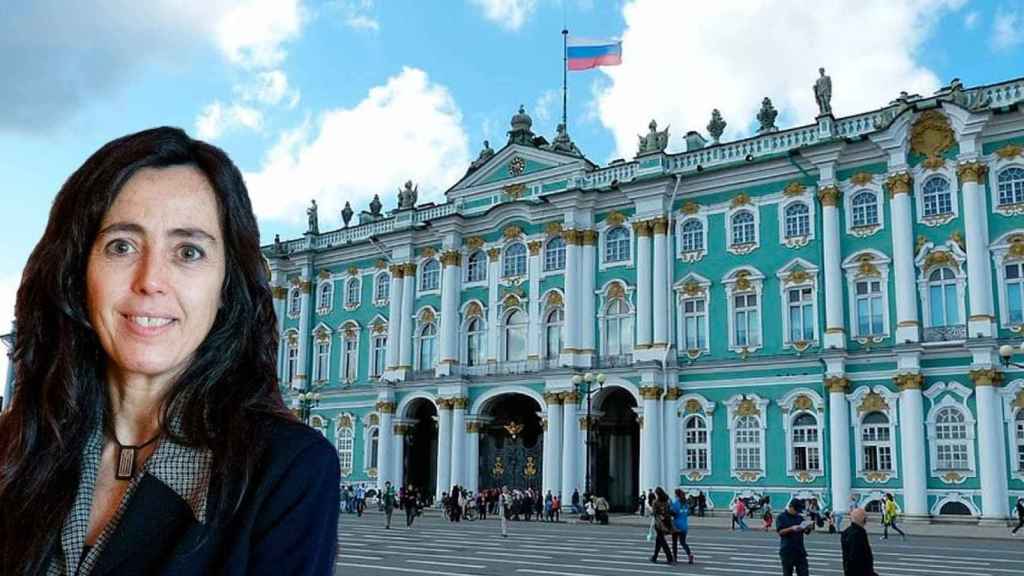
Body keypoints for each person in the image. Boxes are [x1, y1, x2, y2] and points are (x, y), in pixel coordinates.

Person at [0, 127, 340, 575]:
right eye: (121, 246)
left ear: (225, 286)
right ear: (78, 270)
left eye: (189, 252)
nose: (150, 279)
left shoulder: (285, 468)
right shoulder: (16, 447)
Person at [776, 499, 813, 576]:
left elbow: (806, 532)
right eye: (796, 510)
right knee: (787, 573)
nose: (797, 512)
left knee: (804, 573)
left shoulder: (799, 517)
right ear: (791, 507)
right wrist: (791, 528)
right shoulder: (781, 517)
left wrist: (808, 527)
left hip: (800, 551)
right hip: (787, 551)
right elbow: (780, 532)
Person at [841, 508, 878, 576]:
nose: (866, 519)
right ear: (861, 519)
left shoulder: (846, 532)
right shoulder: (859, 533)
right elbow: (857, 558)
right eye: (865, 516)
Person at [649, 488, 675, 564]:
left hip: (659, 523)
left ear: (657, 494)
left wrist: (651, 511)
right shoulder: (666, 501)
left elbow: (654, 513)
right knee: (659, 540)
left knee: (662, 541)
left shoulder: (655, 502)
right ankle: (654, 557)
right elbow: (668, 511)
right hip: (666, 522)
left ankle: (669, 558)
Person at [671, 488, 695, 564]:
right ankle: (689, 554)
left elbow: (673, 513)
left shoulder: (676, 503)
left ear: (676, 495)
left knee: (674, 542)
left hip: (676, 525)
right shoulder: (685, 504)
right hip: (684, 526)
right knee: (683, 542)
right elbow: (688, 513)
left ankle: (675, 558)